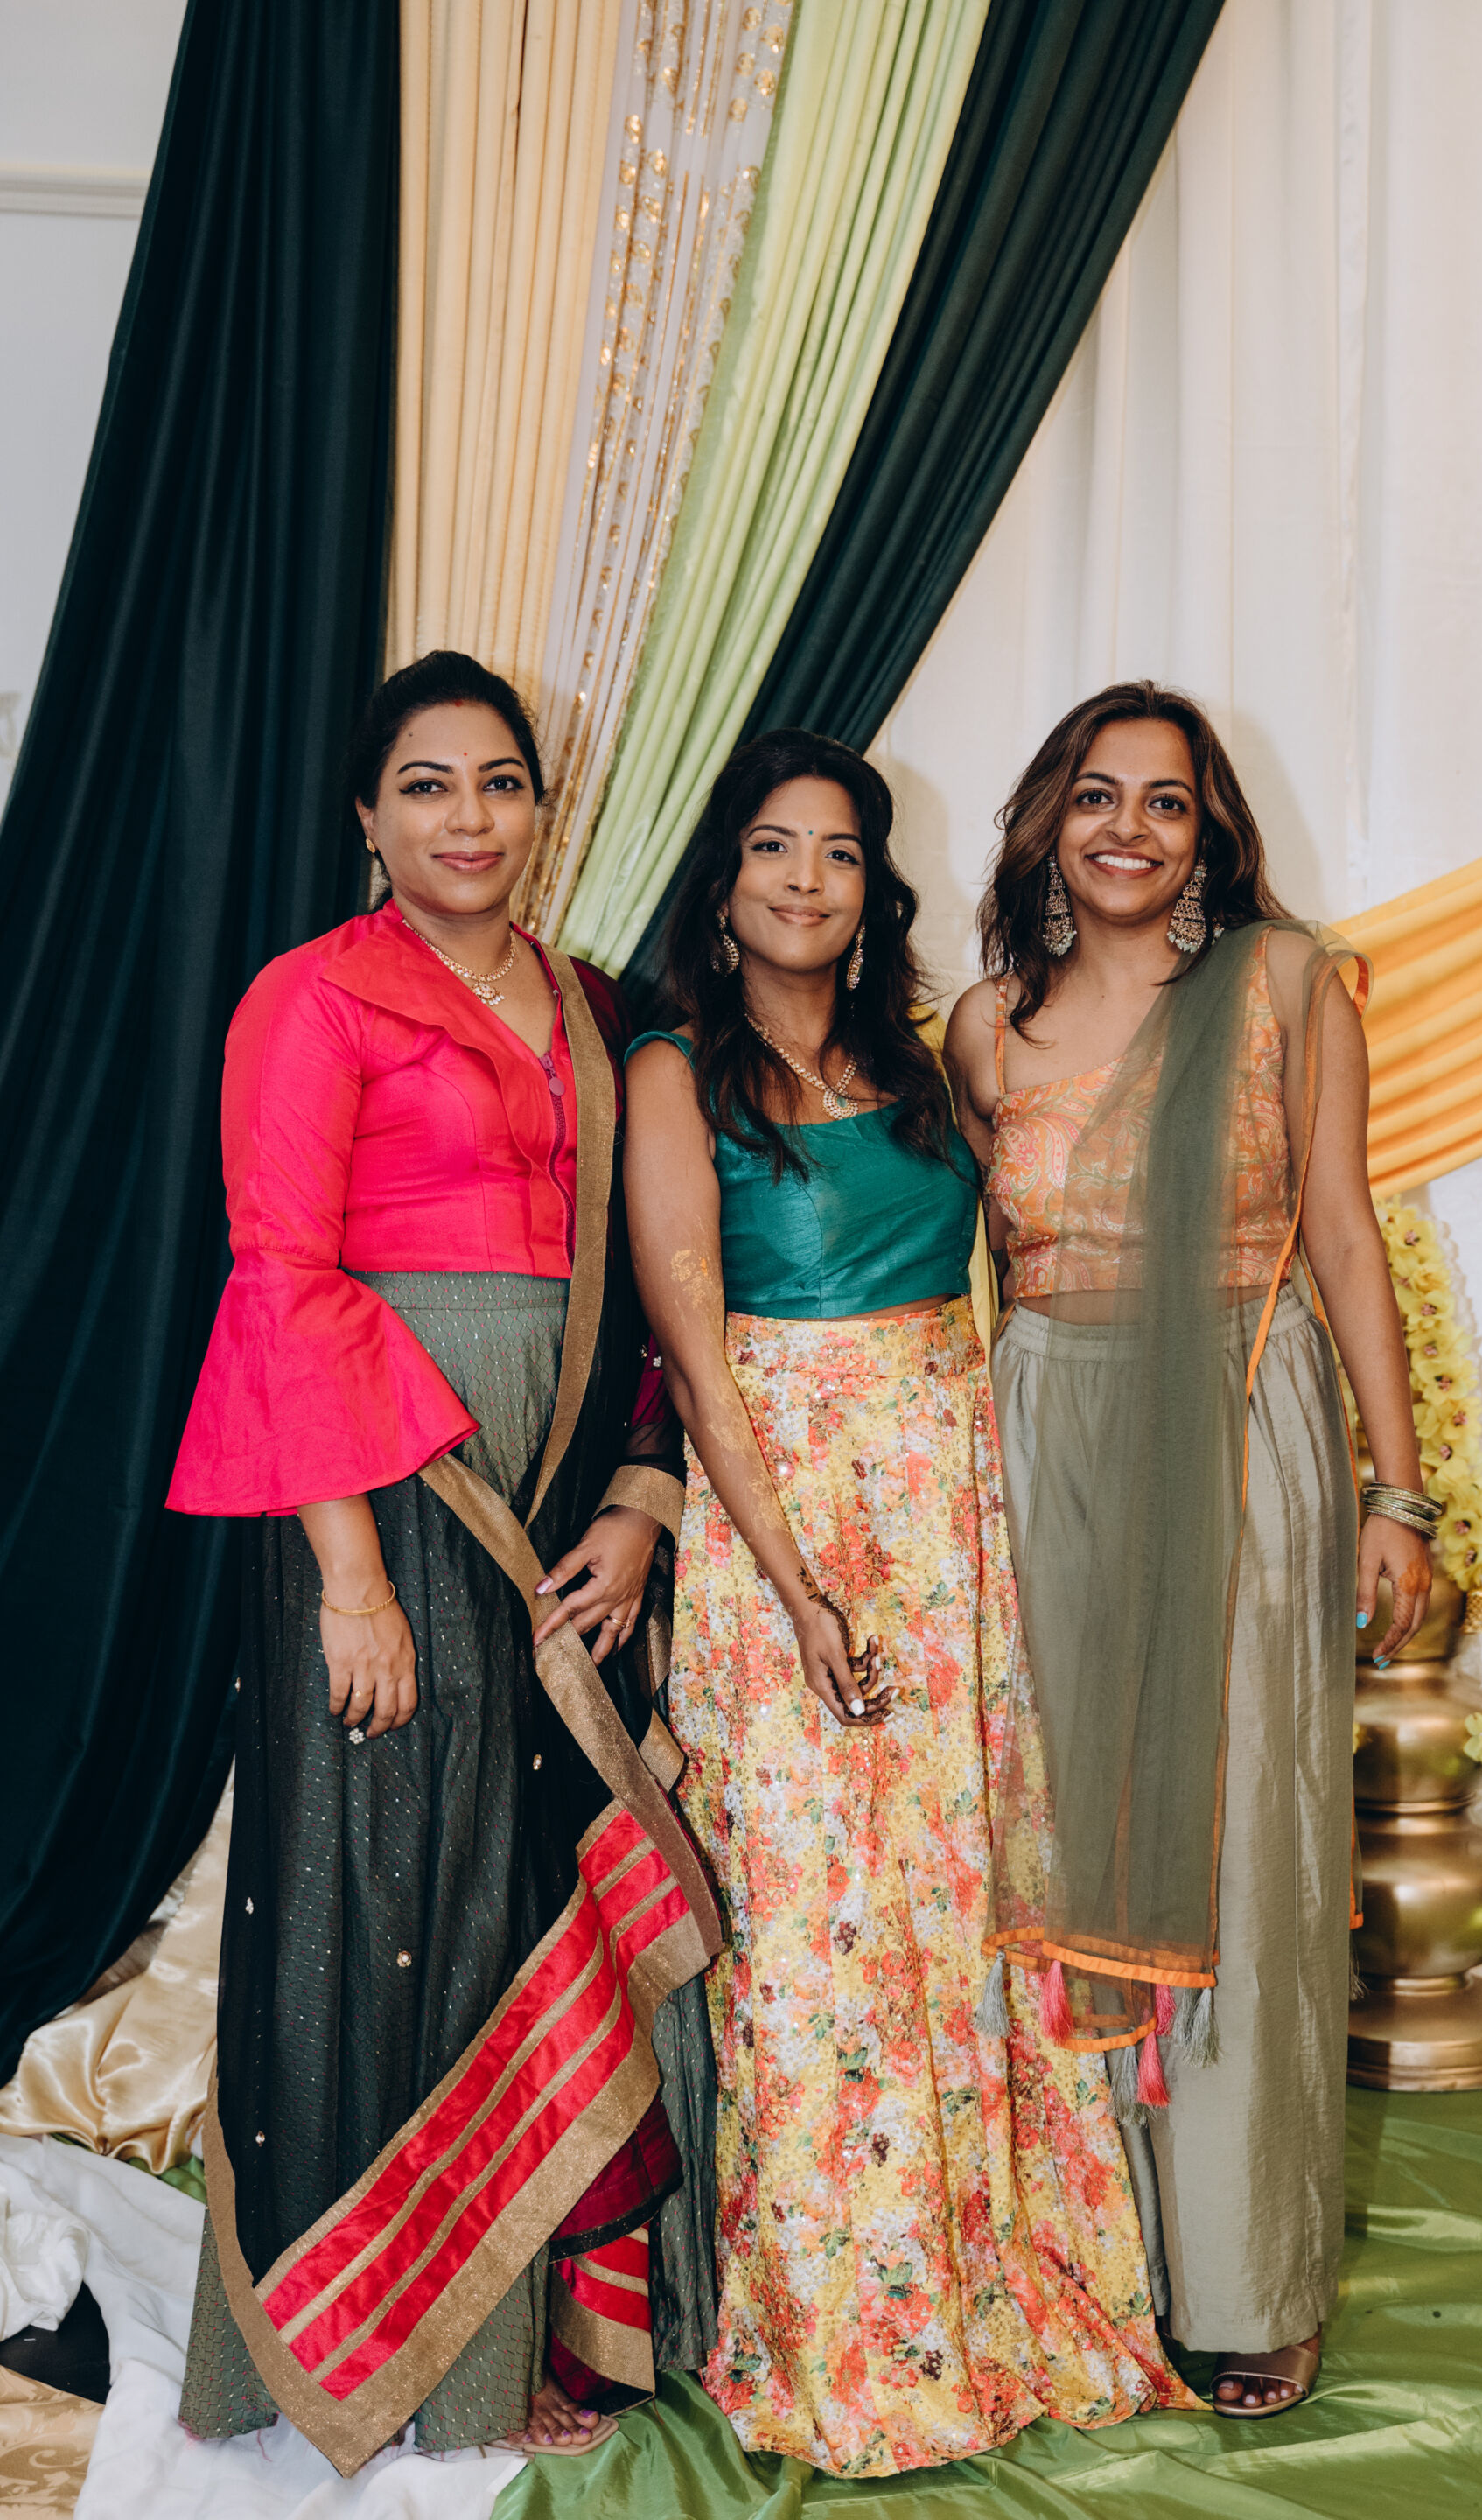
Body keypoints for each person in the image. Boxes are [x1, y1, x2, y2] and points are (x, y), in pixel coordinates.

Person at [165, 650, 718, 2474]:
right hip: (387, 1488)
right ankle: (366, 2348)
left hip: (559, 1483)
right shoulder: (312, 997)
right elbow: (282, 1277)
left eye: (500, 782)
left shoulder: (593, 1008)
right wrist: (352, 1578)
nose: (468, 818)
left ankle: (529, 2341)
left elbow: (648, 1279)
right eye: (426, 784)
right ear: (367, 815)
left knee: (519, 1890)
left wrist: (638, 1494)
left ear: (543, 806)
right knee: (379, 1879)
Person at [623, 729, 1191, 2477]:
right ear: (724, 880)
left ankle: (1000, 2290)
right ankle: (852, 2333)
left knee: (961, 1907)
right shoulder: (671, 1071)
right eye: (773, 848)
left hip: (955, 1521)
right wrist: (798, 1590)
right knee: (818, 1933)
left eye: (841, 851)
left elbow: (1038, 1242)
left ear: (876, 887)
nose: (806, 879)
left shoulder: (921, 1055)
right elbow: (695, 1356)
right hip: (784, 1532)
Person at [945, 682, 1436, 2420]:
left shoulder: (1287, 983)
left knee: (1250, 1849)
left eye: (1167, 800)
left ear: (1211, 830)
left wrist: (1397, 1494)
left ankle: (1250, 2277)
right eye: (1098, 795)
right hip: (1047, 1443)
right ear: (1048, 821)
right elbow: (966, 1264)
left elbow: (1346, 1235)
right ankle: (1101, 2264)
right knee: (1067, 1844)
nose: (1130, 828)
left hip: (1242, 1414)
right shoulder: (980, 1029)